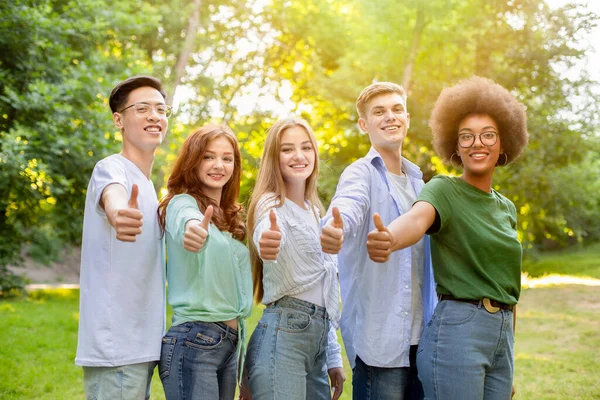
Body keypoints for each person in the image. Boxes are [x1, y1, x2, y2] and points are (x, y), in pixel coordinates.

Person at [366, 76, 528, 400]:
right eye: (466, 136)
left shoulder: (506, 208)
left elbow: (507, 285)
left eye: (487, 135)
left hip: (501, 336)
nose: (476, 143)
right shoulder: (444, 189)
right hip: (458, 334)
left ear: (502, 143)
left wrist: (504, 357)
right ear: (455, 146)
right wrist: (390, 238)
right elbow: (416, 219)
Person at [322, 81, 437, 399]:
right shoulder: (360, 174)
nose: (390, 117)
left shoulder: (420, 184)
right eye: (379, 112)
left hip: (423, 344)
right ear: (364, 124)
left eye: (397, 109)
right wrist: (336, 229)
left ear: (408, 118)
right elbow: (347, 206)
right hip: (380, 347)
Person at [75, 76, 171, 399]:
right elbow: (113, 197)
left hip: (141, 348)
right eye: (142, 108)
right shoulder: (111, 168)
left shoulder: (148, 187)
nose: (154, 116)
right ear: (119, 120)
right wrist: (119, 214)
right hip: (115, 348)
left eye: (160, 109)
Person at [244, 117, 346, 400]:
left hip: (318, 339)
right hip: (284, 334)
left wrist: (333, 355)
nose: (299, 156)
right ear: (274, 158)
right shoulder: (270, 203)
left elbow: (326, 290)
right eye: (287, 149)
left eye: (306, 147)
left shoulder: (315, 212)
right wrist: (268, 243)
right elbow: (266, 232)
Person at [156, 124, 253, 400]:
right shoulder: (182, 203)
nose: (218, 165)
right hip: (194, 340)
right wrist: (193, 230)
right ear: (193, 161)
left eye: (227, 158)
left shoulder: (228, 217)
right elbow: (185, 220)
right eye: (208, 156)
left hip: (228, 344)